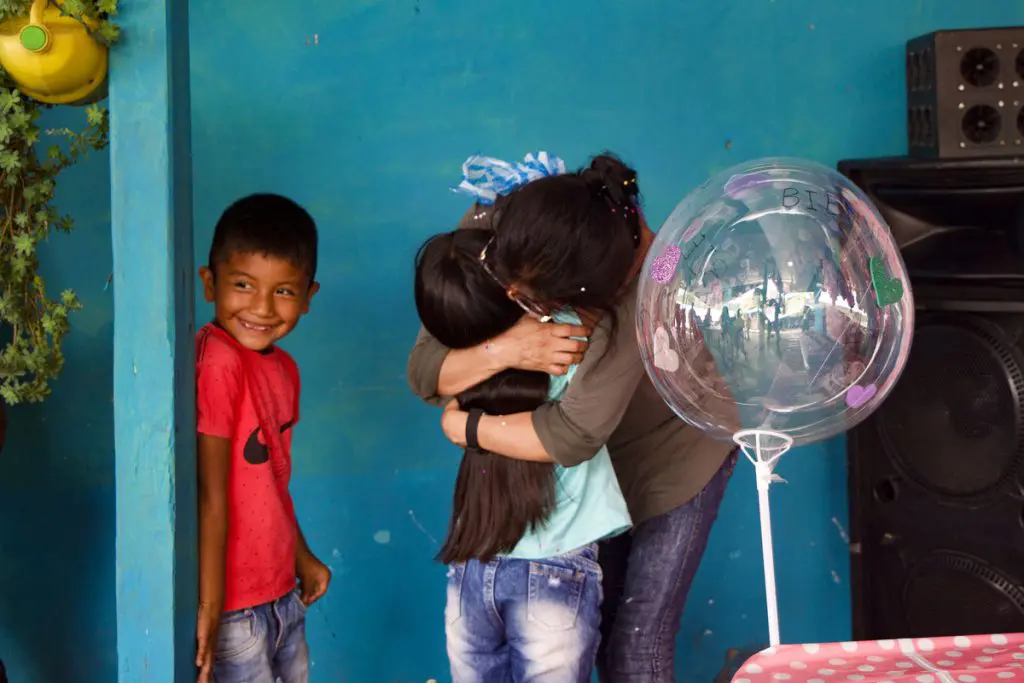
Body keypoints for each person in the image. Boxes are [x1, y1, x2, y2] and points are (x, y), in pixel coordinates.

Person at [407, 153, 737, 683]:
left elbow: (573, 434)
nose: (512, 297)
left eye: (535, 303)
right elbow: (426, 371)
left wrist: (463, 428)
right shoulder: (503, 226)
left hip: (673, 451)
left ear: (590, 299)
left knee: (635, 639)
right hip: (577, 473)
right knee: (594, 625)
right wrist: (509, 348)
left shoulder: (649, 285)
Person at [415, 226, 631, 683]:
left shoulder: (457, 358)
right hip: (556, 565)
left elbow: (424, 373)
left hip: (472, 560)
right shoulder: (574, 331)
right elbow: (570, 435)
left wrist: (463, 425)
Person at [194, 193, 331, 683]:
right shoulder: (217, 360)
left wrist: (302, 557)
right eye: (243, 285)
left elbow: (268, 480)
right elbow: (210, 494)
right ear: (210, 283)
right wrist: (210, 607)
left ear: (309, 296)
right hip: (232, 607)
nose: (261, 308)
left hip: (280, 595)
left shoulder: (284, 370)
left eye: (284, 292)